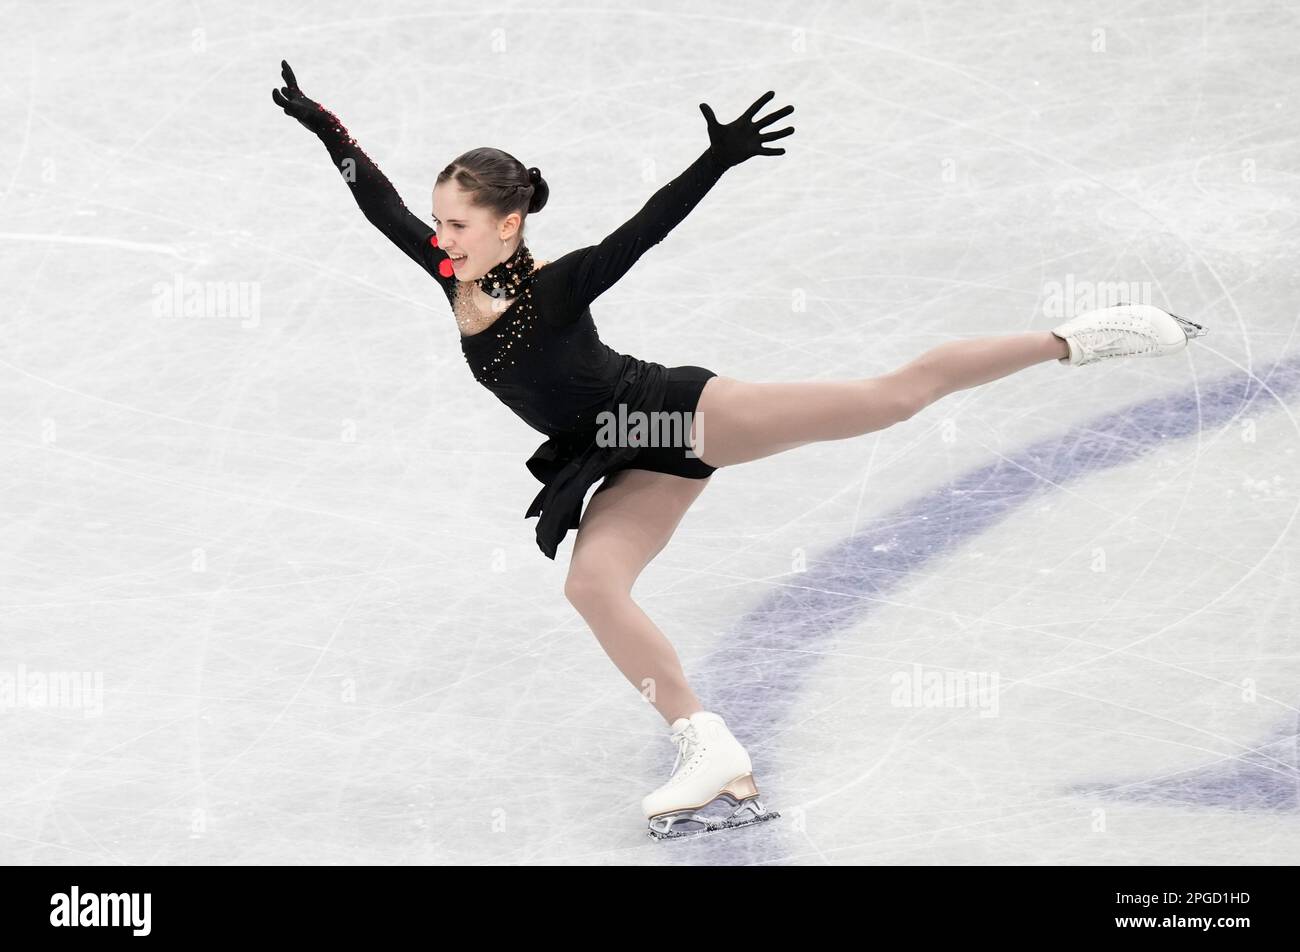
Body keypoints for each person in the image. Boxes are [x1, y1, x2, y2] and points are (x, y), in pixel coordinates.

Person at [271, 60, 1207, 840]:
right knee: (594, 585)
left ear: (508, 225)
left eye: (460, 226)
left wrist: (713, 160)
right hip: (614, 452)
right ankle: (710, 748)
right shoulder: (452, 274)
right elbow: (380, 208)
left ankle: (1081, 340)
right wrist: (328, 131)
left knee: (887, 398)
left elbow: (648, 227)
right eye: (442, 225)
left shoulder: (554, 290)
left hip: (669, 415)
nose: (442, 241)